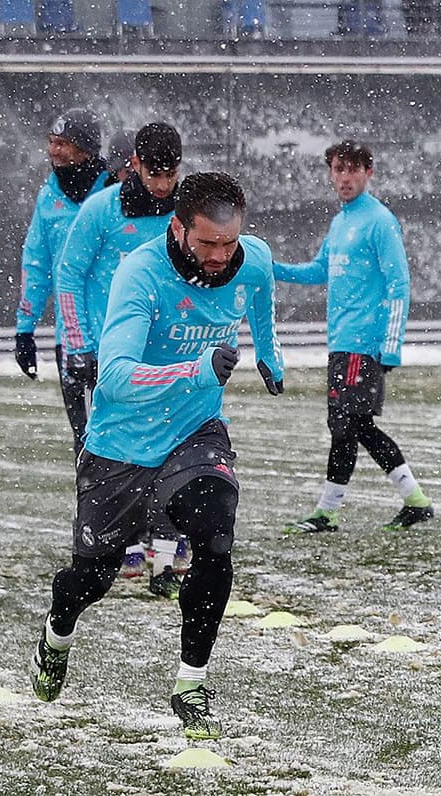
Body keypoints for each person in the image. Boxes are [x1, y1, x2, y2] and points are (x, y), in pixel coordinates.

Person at [29, 172, 286, 741]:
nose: (220, 256)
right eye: (208, 243)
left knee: (215, 533)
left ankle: (191, 684)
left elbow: (261, 295)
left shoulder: (253, 259)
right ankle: (56, 634)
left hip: (194, 430)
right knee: (90, 579)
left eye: (229, 242)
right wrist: (195, 369)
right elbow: (115, 378)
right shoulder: (141, 273)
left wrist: (270, 354)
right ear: (178, 227)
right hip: (120, 444)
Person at [275, 140, 434, 536]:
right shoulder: (340, 222)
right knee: (356, 426)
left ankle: (328, 512)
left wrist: (392, 344)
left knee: (346, 426)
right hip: (341, 343)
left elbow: (399, 282)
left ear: (368, 173)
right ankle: (415, 500)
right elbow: (319, 270)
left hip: (363, 343)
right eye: (338, 169)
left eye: (353, 169)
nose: (345, 177)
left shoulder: (379, 220)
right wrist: (272, 267)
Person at [56, 122, 186, 597]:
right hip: (106, 356)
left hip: (162, 358)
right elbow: (69, 276)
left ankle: (165, 554)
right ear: (134, 164)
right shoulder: (101, 211)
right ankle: (113, 543)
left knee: (170, 450)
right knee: (105, 453)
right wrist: (80, 344)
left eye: (170, 174)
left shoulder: (184, 211)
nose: (163, 185)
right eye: (154, 174)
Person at [14, 108, 110, 451]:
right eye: (51, 142)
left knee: (126, 436)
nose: (53, 150)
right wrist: (25, 330)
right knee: (85, 439)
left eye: (62, 143)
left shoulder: (115, 192)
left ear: (85, 149)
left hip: (121, 331)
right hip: (71, 337)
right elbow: (36, 264)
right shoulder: (48, 197)